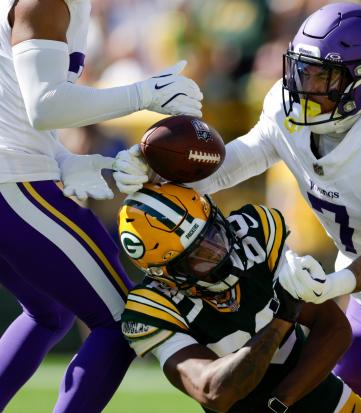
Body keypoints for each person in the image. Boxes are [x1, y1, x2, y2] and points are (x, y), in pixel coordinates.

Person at [114, 3, 361, 412]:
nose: (306, 84)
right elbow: (229, 166)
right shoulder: (288, 111)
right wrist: (154, 170)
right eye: (303, 69)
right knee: (347, 402)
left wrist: (328, 285)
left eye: (324, 74)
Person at [0, 0, 202, 411]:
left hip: (15, 173)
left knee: (50, 311)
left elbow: (18, 106)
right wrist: (146, 93)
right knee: (125, 320)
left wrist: (64, 160)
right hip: (11, 181)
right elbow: (45, 105)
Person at [118, 182, 361, 413]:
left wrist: (283, 400)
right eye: (198, 257)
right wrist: (280, 321)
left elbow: (333, 327)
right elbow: (215, 391)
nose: (217, 253)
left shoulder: (254, 236)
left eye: (213, 235)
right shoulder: (152, 308)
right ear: (166, 274)